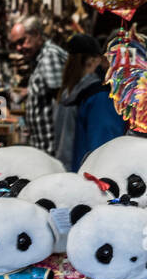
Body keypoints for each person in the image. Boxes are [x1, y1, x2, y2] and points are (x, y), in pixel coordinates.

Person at [54, 33, 126, 171]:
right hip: (89, 178)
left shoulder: (65, 93)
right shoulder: (98, 96)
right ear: (92, 61)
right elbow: (105, 148)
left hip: (67, 173)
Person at [10, 15, 69, 153]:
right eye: (15, 45)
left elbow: (61, 101)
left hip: (52, 147)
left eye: (22, 41)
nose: (18, 48)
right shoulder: (41, 58)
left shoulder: (49, 56)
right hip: (45, 145)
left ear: (36, 34)